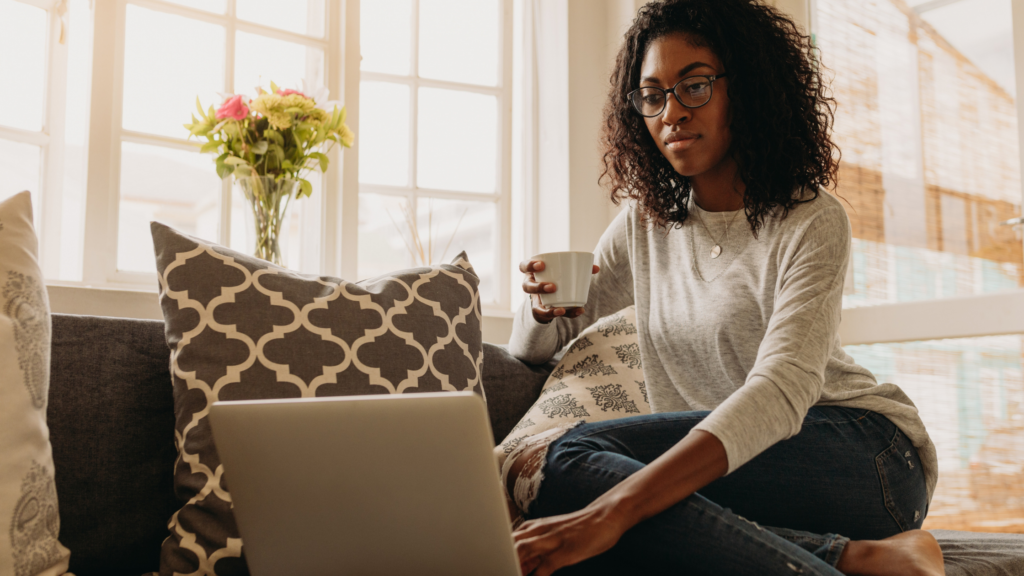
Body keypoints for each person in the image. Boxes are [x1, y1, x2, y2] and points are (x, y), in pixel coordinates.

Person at [505, 1, 945, 575]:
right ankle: (851, 558)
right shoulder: (645, 223)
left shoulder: (811, 219)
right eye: (653, 95)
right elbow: (533, 347)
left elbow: (781, 392)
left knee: (572, 462)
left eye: (694, 86)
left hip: (862, 454)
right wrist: (540, 313)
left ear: (750, 88)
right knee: (557, 494)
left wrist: (612, 510)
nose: (671, 113)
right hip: (731, 469)